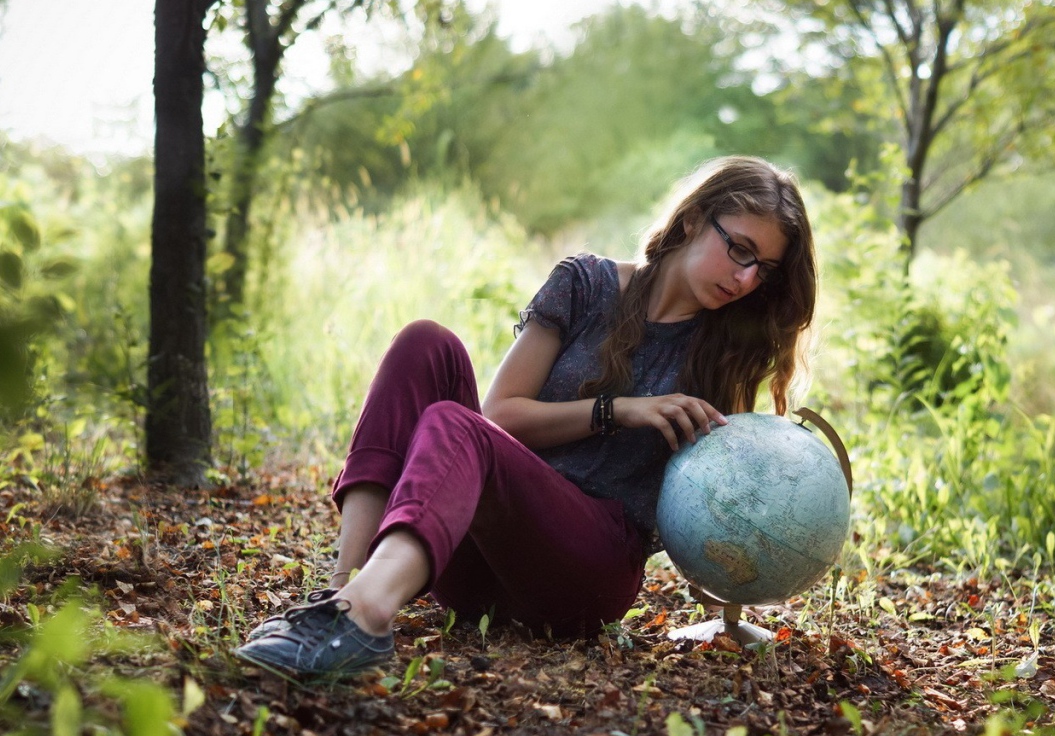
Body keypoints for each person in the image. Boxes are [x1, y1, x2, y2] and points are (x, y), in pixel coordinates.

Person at [235, 156, 818, 676]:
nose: (745, 279)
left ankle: (364, 615)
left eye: (762, 269)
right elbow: (501, 417)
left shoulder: (729, 351)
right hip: (472, 554)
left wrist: (739, 583)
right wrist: (621, 411)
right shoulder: (586, 285)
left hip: (582, 573)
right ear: (693, 220)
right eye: (739, 249)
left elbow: (724, 492)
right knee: (424, 343)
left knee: (457, 426)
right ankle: (341, 595)